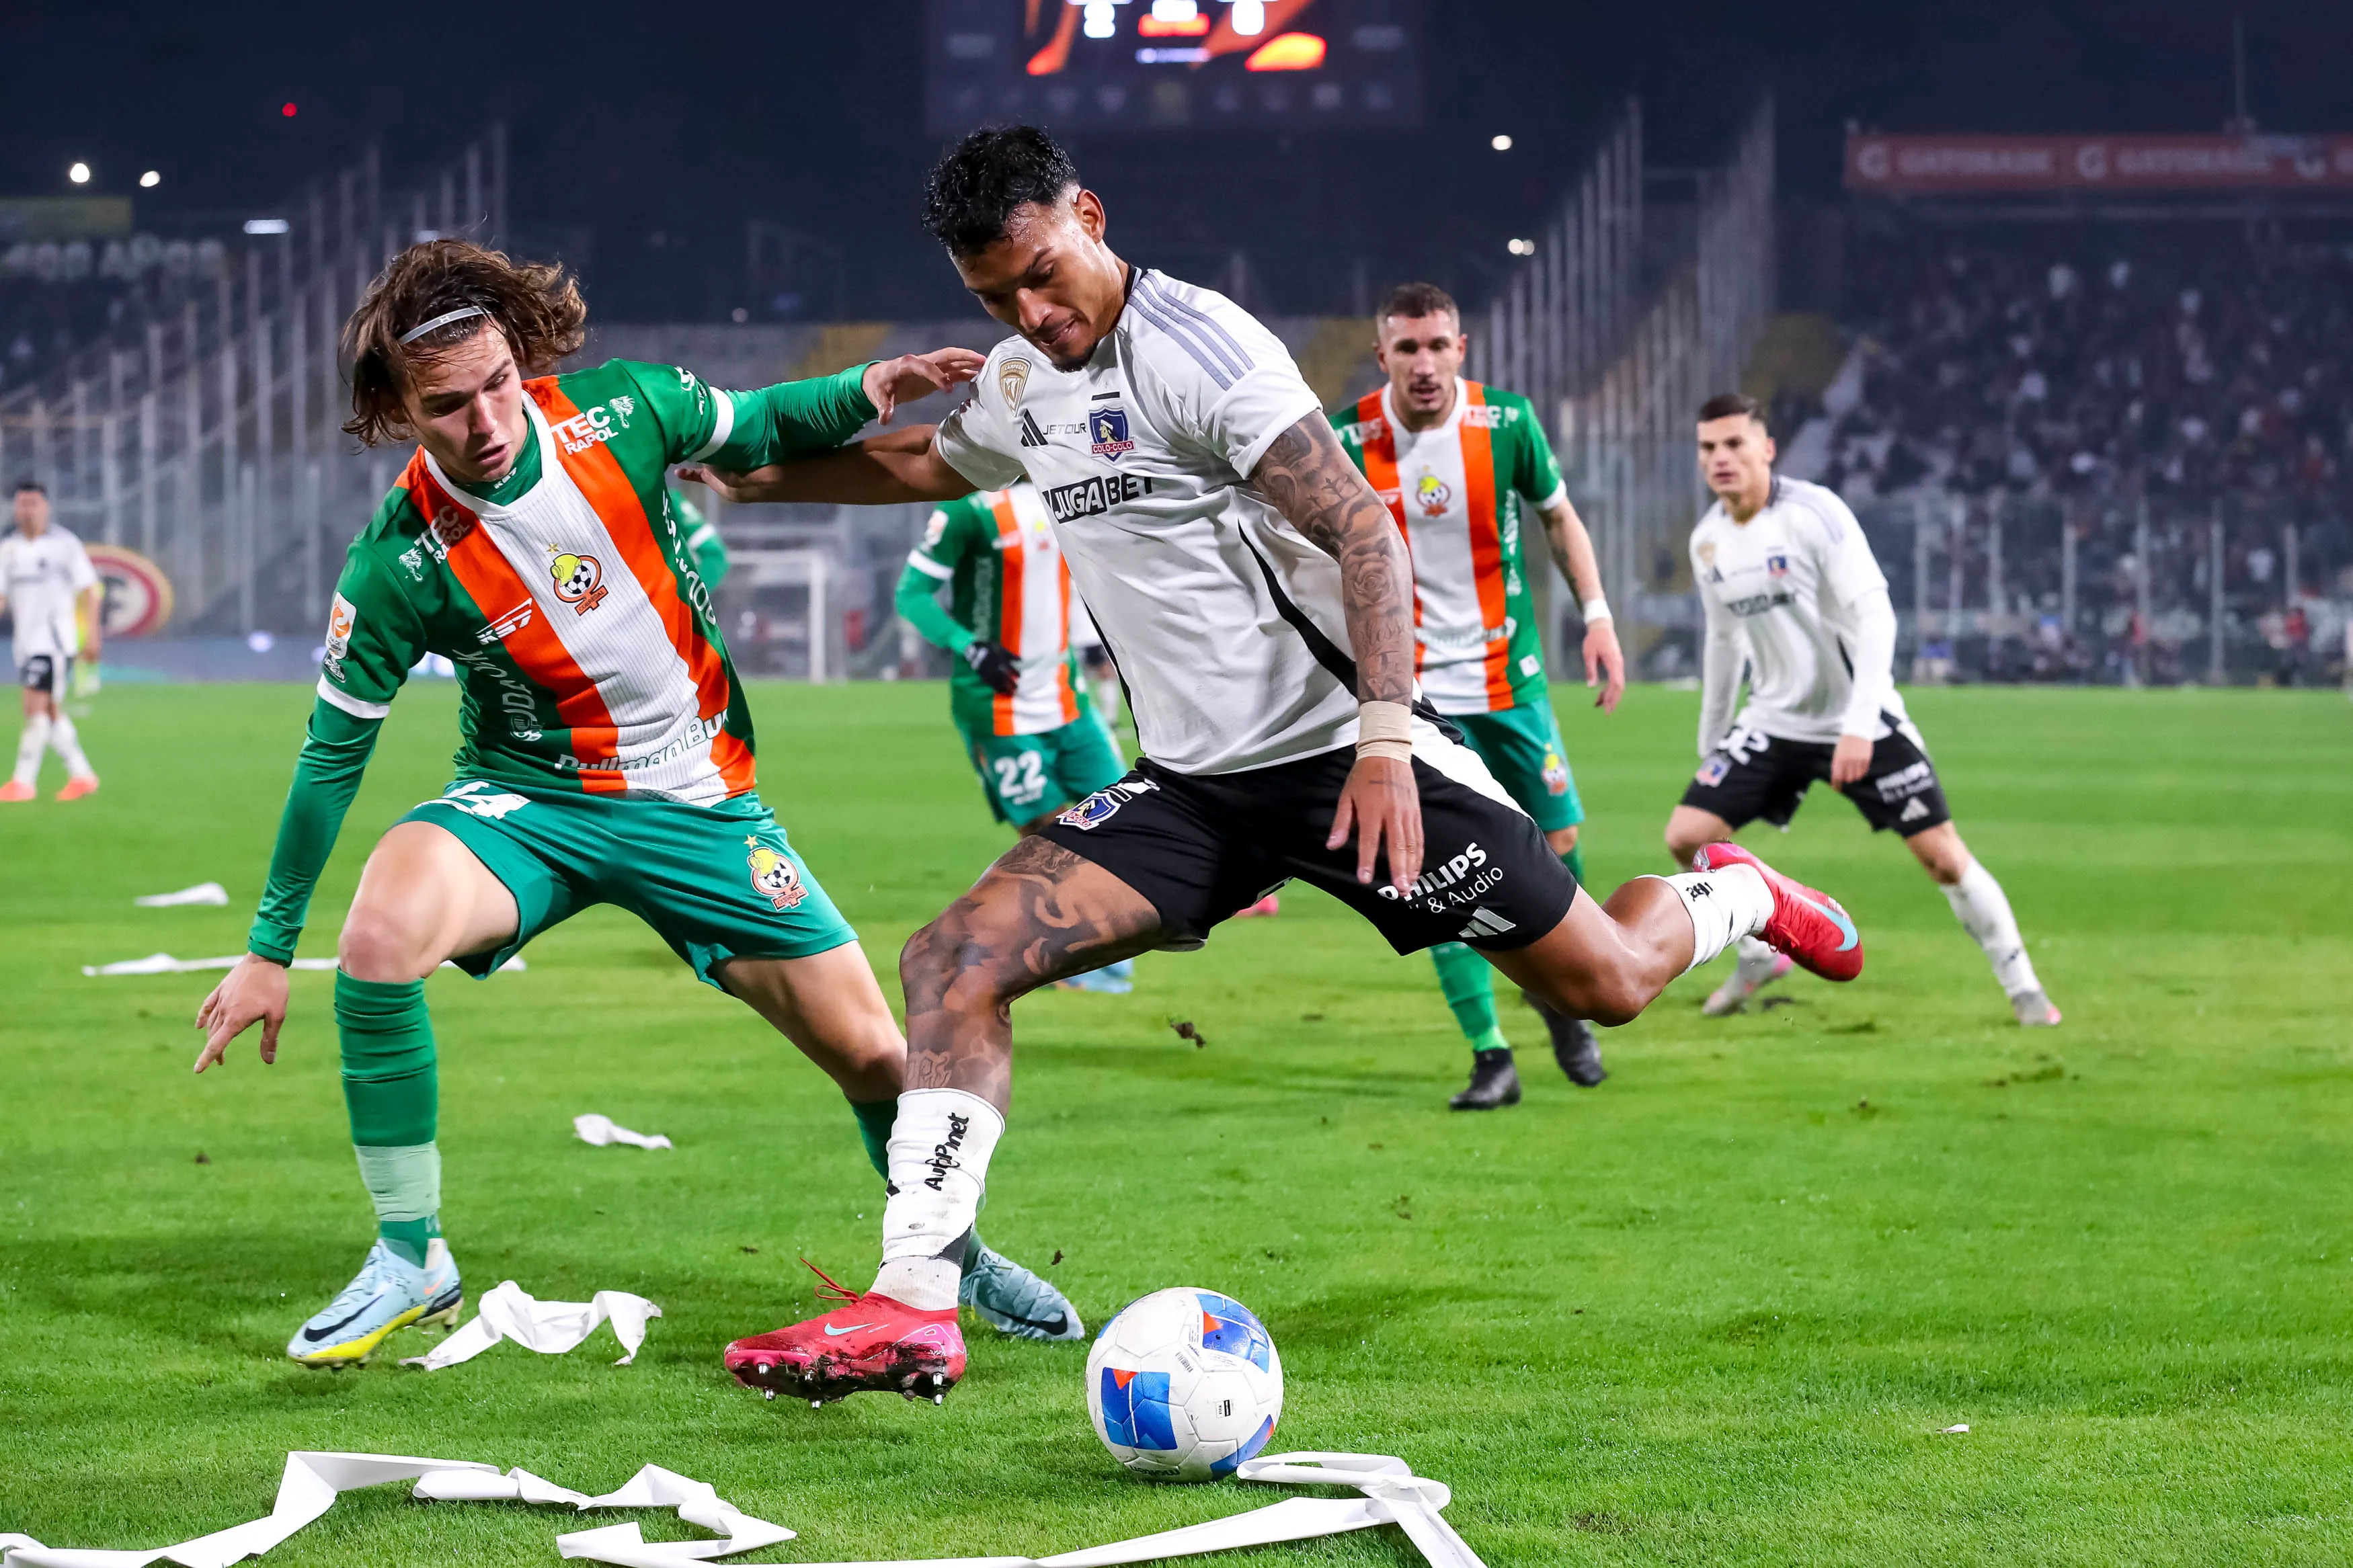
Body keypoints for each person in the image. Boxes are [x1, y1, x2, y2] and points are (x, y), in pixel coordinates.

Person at [683, 126, 1861, 1407]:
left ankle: (1739, 893)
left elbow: (1362, 529)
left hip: (1338, 758)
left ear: (1089, 212)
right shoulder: (1027, 381)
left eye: (1041, 275)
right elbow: (919, 458)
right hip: (1192, 788)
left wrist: (1388, 740)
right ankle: (914, 1304)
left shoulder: (1206, 348)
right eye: (993, 298)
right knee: (952, 959)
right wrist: (733, 477)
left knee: (1610, 981)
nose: (1030, 312)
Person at [188, 239, 1081, 1370]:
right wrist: (270, 948)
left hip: (701, 805)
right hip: (529, 802)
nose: (488, 420)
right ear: (399, 409)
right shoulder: (397, 564)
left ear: (522, 358)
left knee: (878, 1059)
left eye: (501, 382)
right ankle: (411, 1255)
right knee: (378, 934)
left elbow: (755, 426)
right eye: (450, 405)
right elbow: (330, 758)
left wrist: (868, 383)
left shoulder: (622, 410)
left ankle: (948, 1253)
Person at [1667, 393, 2059, 1028]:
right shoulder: (1708, 540)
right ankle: (1762, 952)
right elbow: (1722, 641)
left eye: (1735, 444)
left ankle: (2023, 986)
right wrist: (1713, 736)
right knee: (1689, 835)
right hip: (1772, 721)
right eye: (1709, 447)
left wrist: (1857, 723)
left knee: (1943, 857)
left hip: (1860, 719)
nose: (1721, 458)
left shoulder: (1815, 514)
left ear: (1767, 448)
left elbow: (1877, 616)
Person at [1332, 282, 1626, 1110]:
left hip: (1510, 680)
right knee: (1431, 869)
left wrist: (1596, 616)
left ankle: (1566, 1000)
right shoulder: (1344, 437)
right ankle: (1488, 1052)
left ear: (1460, 349)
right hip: (1412, 695)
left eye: (1436, 347)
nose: (1422, 364)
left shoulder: (1506, 423)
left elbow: (1559, 518)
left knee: (1560, 844)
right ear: (1380, 354)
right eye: (1405, 349)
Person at [891, 477, 1134, 991]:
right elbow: (911, 594)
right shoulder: (970, 512)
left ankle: (1061, 949)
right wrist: (969, 645)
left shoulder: (1068, 488)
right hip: (998, 706)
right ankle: (1032, 953)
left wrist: (1091, 643)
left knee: (1124, 821)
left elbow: (1082, 578)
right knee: (1048, 838)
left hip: (1067, 700)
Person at [0, 478, 103, 801]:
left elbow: (90, 591)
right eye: (21, 504)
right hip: (25, 642)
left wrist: (93, 636)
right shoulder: (9, 549)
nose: (26, 510)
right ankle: (82, 775)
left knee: (34, 707)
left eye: (33, 504)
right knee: (51, 710)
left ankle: (23, 782)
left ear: (45, 507)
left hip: (54, 641)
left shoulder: (64, 545)